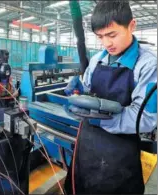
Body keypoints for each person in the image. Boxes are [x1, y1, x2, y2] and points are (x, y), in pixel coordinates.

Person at [64, 1, 157, 194]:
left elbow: (146, 119)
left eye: (112, 35)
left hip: (119, 162)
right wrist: (79, 89)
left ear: (132, 25)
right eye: (100, 37)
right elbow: (89, 89)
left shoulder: (148, 65)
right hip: (85, 151)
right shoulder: (98, 59)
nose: (106, 43)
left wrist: (103, 120)